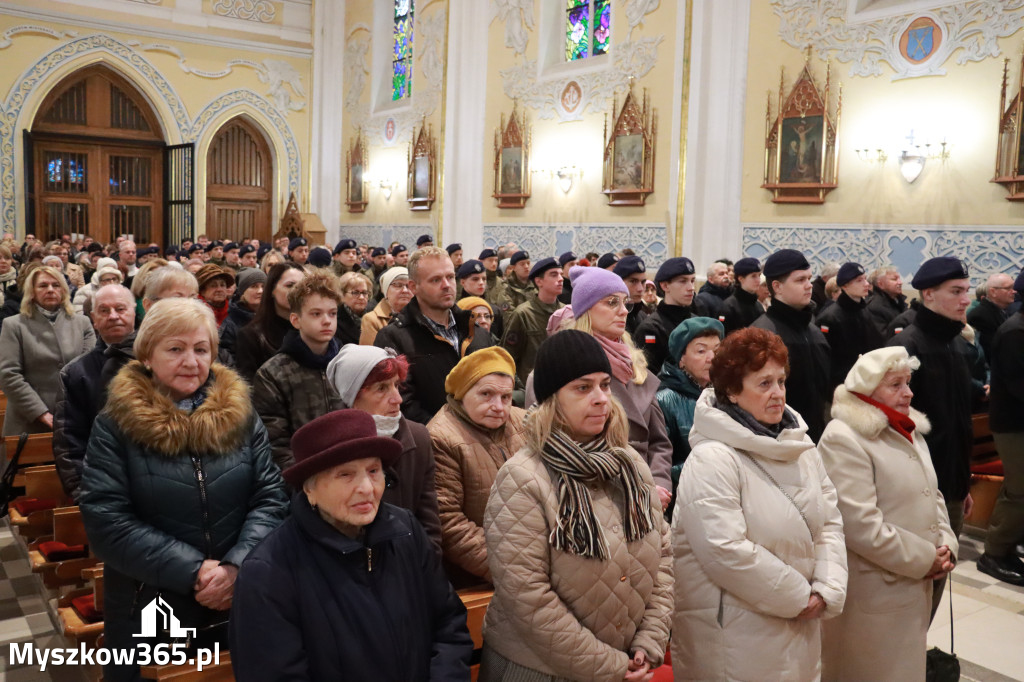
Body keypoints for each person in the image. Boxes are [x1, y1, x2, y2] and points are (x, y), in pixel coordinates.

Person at [79, 298, 288, 682]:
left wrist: (236, 566)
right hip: (149, 602)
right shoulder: (115, 425)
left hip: (240, 595)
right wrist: (194, 571)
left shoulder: (241, 415)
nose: (191, 361)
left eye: (201, 349)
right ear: (146, 355)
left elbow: (270, 496)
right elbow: (106, 519)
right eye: (175, 349)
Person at [481, 330, 673, 681]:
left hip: (624, 660)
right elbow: (529, 599)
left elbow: (662, 559)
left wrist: (650, 639)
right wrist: (611, 666)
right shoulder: (523, 479)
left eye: (604, 385)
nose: (601, 398)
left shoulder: (629, 465)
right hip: (538, 670)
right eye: (583, 388)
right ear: (552, 399)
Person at [229, 409, 472, 681]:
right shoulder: (268, 573)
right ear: (309, 488)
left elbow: (449, 625)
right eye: (345, 475)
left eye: (374, 470)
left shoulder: (406, 532)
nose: (367, 488)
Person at [671, 326, 847, 681]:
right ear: (732, 392)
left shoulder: (801, 447)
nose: (778, 394)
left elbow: (829, 521)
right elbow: (725, 549)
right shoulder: (713, 458)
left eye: (781, 381)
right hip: (736, 632)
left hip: (800, 622)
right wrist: (800, 598)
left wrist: (827, 588)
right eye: (764, 384)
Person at [817, 347, 956, 681]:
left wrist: (947, 543)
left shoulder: (905, 427)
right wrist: (926, 558)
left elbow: (931, 492)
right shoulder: (844, 438)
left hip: (911, 583)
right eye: (895, 385)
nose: (907, 392)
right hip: (875, 589)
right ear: (868, 391)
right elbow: (859, 525)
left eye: (908, 382)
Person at [886, 256, 976, 613]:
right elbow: (892, 429)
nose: (965, 299)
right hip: (916, 491)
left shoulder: (957, 344)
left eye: (967, 291)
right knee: (912, 592)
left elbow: (957, 423)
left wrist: (962, 481)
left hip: (949, 486)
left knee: (937, 585)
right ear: (928, 294)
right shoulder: (907, 347)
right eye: (956, 291)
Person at [552, 265, 674, 508]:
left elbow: (659, 441)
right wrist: (639, 487)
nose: (624, 312)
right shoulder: (561, 365)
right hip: (595, 495)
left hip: (647, 496)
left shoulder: (635, 365)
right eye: (611, 303)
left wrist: (658, 483)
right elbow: (558, 444)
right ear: (586, 309)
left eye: (624, 303)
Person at [427, 347, 526, 587]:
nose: (499, 406)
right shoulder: (441, 438)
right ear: (462, 393)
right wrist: (511, 569)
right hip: (480, 576)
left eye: (505, 397)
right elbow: (449, 524)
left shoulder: (524, 421)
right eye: (486, 395)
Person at [326, 345, 442, 547]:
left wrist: (424, 570)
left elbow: (429, 527)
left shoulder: (419, 437)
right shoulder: (329, 446)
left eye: (396, 385)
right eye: (382, 388)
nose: (397, 399)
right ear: (352, 397)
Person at [375, 247, 494, 423]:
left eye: (450, 277)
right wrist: (449, 435)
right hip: (433, 442)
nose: (446, 285)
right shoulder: (394, 338)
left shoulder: (476, 332)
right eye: (436, 280)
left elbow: (503, 382)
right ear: (414, 287)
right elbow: (403, 404)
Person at [252, 271, 344, 471]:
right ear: (296, 320)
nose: (327, 320)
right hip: (302, 476)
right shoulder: (273, 374)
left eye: (332, 313)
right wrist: (312, 478)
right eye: (316, 314)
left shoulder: (347, 364)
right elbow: (275, 445)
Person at [54, 285, 137, 501]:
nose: (113, 316)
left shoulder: (160, 361)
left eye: (120, 309)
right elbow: (69, 441)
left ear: (134, 311)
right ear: (93, 319)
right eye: (104, 311)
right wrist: (83, 494)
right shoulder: (76, 372)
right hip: (105, 487)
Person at [0, 265, 95, 443]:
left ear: (64, 290)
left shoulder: (82, 323)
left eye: (56, 285)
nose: (50, 290)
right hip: (28, 420)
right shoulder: (14, 325)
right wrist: (41, 413)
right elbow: (9, 375)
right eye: (43, 286)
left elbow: (88, 370)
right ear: (32, 292)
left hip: (74, 418)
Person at [751, 249, 830, 441]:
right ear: (777, 286)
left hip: (816, 437)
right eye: (800, 280)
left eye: (809, 279)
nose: (809, 286)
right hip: (778, 439)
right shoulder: (763, 334)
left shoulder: (815, 333)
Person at [977, 269, 1024, 585]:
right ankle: (993, 552)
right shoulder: (1014, 333)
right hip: (1013, 425)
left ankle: (1008, 546)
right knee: (1019, 491)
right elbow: (1018, 385)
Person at [655, 317, 723, 509]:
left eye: (717, 350)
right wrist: (709, 467)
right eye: (701, 351)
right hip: (685, 502)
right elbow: (661, 466)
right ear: (681, 359)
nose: (711, 358)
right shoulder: (664, 401)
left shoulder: (728, 396)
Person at [816, 262, 885, 389]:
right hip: (840, 385)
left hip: (864, 381)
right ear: (845, 286)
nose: (866, 284)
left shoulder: (864, 311)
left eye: (865, 279)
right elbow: (826, 359)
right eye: (859, 281)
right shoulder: (830, 318)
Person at [633, 257, 707, 372]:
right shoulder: (651, 329)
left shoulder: (698, 323)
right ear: (665, 286)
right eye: (683, 281)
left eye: (692, 281)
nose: (691, 288)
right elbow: (650, 375)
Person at [235, 262, 305, 382]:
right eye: (290, 285)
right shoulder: (251, 336)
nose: (296, 292)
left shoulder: (310, 329)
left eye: (301, 287)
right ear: (272, 289)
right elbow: (248, 387)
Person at [500, 257, 564, 384]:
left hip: (561, 384)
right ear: (539, 281)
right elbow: (508, 355)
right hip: (531, 387)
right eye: (554, 275)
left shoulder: (566, 312)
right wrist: (519, 387)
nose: (561, 279)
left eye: (561, 274)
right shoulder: (524, 314)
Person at [218, 268, 266, 367]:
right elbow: (229, 364)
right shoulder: (230, 325)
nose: (260, 291)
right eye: (254, 286)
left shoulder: (272, 316)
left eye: (263, 286)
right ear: (242, 291)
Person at [968, 272, 1015, 362]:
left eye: (1013, 287)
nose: (1014, 291)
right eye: (1008, 288)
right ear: (993, 292)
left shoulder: (1002, 310)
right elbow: (991, 353)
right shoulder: (980, 316)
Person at [360, 266, 411, 345]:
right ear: (386, 290)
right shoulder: (372, 320)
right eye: (398, 285)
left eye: (409, 286)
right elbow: (370, 355)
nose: (405, 290)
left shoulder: (422, 315)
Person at [720, 256, 764, 334]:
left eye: (759, 275)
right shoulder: (728, 307)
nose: (758, 280)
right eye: (753, 276)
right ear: (741, 278)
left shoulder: (758, 306)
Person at [866, 265, 908, 336]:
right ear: (881, 284)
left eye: (899, 279)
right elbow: (883, 337)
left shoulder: (898, 301)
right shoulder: (874, 307)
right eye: (894, 279)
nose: (900, 282)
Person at [337, 271, 372, 346]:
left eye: (364, 293)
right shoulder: (335, 319)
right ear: (342, 295)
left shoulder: (373, 315)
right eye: (355, 293)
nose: (361, 297)